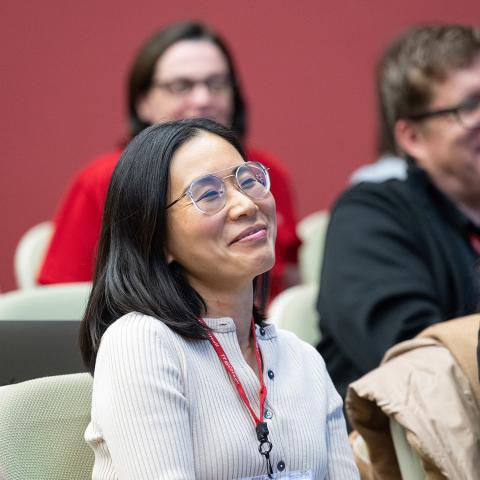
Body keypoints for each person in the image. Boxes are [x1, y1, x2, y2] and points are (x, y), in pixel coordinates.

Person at [79, 118, 359, 479]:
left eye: (249, 180)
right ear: (156, 237)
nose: (245, 204)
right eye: (209, 194)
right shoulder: (142, 343)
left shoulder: (302, 358)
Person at [38, 21, 300, 298]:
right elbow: (63, 302)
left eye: (216, 83)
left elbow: (290, 284)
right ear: (143, 102)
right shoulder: (102, 180)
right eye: (180, 86)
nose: (203, 99)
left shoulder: (261, 174)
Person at [317, 24, 480, 399]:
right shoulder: (369, 217)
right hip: (395, 450)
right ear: (412, 138)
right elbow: (416, 363)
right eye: (470, 105)